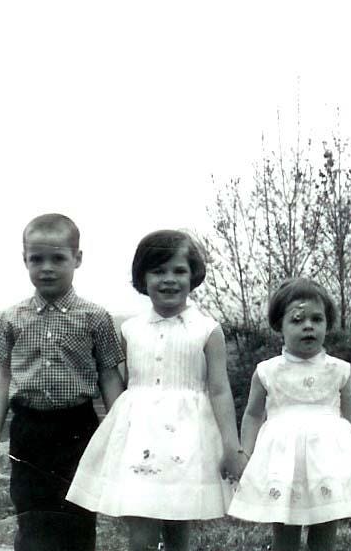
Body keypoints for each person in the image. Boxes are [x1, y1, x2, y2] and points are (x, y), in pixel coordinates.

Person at [66, 230, 245, 551]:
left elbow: (219, 390)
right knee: (141, 519)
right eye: (158, 271)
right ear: (142, 276)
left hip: (188, 438)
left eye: (179, 271)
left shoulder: (207, 330)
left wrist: (231, 445)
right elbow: (120, 385)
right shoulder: (130, 329)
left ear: (193, 275)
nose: (169, 280)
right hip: (140, 437)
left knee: (178, 519)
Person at [0, 213, 125, 551]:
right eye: (36, 259)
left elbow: (108, 374)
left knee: (77, 513)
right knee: (31, 512)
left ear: (78, 259)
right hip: (28, 429)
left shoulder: (95, 317)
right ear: (24, 260)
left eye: (58, 258)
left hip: (77, 427)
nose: (47, 267)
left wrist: (120, 426)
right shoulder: (13, 317)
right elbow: (3, 376)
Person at [227, 277, 351, 551]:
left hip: (327, 461)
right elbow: (254, 414)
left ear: (327, 324)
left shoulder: (338, 369)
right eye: (297, 320)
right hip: (284, 462)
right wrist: (245, 452)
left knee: (326, 525)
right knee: (285, 525)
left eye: (317, 319)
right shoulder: (268, 370)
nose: (308, 326)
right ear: (280, 325)